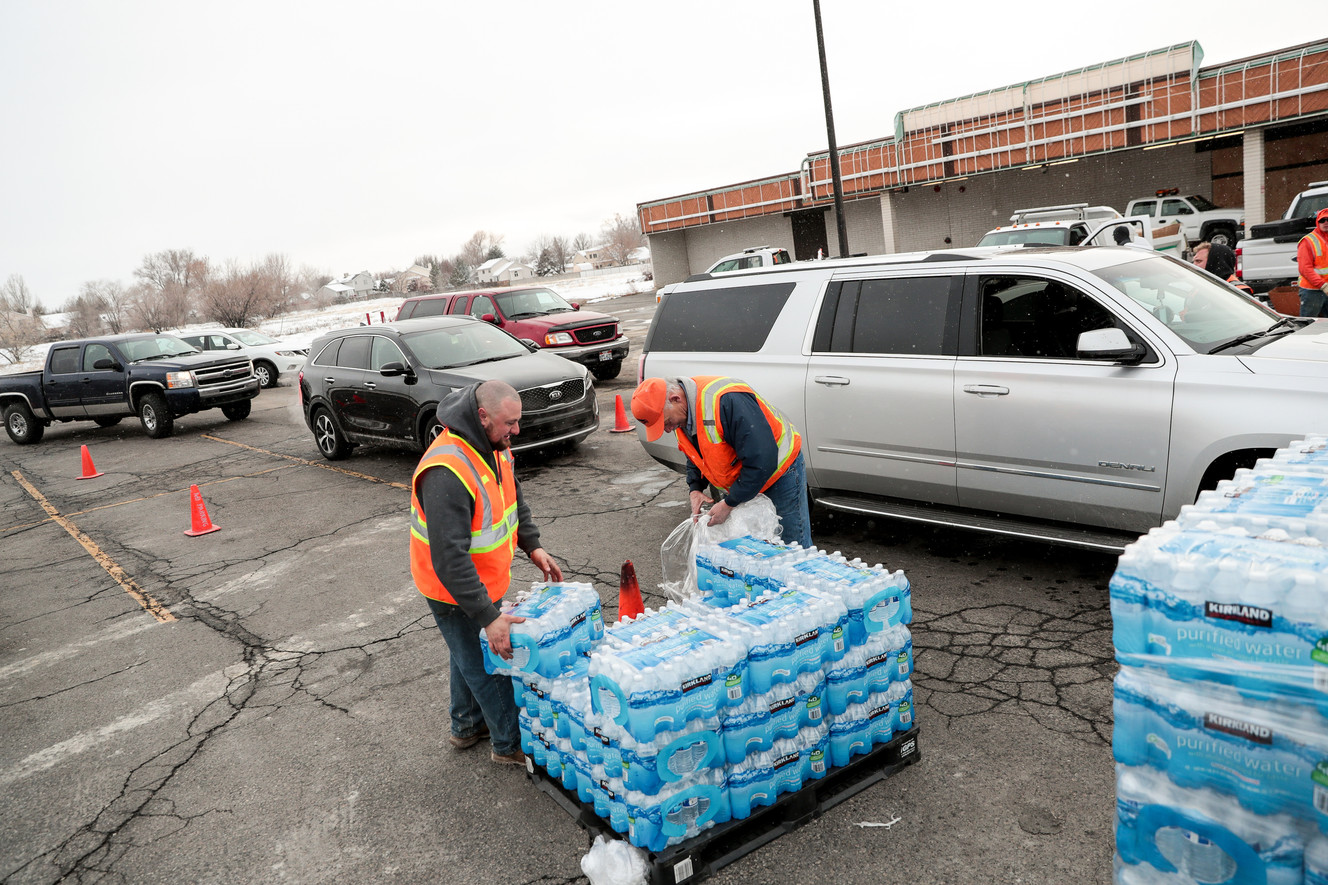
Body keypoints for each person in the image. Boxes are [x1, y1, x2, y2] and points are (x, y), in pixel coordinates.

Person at [410, 379, 563, 765]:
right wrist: (489, 617)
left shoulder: (495, 448)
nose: (516, 431)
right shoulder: (446, 468)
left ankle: (466, 727)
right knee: (487, 663)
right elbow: (449, 559)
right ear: (482, 416)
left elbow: (514, 500)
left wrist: (534, 545)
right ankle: (508, 744)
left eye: (518, 421)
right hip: (453, 589)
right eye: (509, 423)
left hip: (483, 580)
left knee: (467, 652)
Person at [631, 376, 812, 548]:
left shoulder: (726, 401)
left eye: (667, 422)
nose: (668, 429)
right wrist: (695, 488)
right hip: (745, 478)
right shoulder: (683, 414)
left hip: (779, 472)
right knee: (752, 546)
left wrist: (729, 503)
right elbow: (696, 453)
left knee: (792, 545)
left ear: (676, 398)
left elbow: (762, 460)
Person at [1297, 208, 1328, 317]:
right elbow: (1304, 269)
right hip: (1312, 291)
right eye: (1322, 220)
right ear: (1317, 222)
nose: (1326, 223)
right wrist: (1322, 285)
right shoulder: (1308, 241)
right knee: (1308, 326)